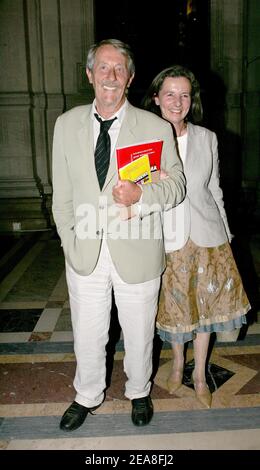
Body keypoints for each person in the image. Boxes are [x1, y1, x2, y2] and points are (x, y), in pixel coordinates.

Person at [52, 40, 186, 431]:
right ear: (90, 75)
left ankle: (139, 390)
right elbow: (61, 195)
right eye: (103, 69)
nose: (110, 77)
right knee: (88, 330)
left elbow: (177, 185)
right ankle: (87, 394)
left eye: (119, 70)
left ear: (130, 78)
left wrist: (142, 194)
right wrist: (68, 240)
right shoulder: (66, 124)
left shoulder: (155, 127)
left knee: (139, 329)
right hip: (85, 250)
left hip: (138, 248)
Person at [142, 65, 251, 408]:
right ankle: (176, 364)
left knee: (207, 310)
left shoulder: (208, 138)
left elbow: (214, 190)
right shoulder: (145, 140)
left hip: (209, 237)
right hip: (168, 237)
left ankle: (200, 374)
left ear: (193, 100)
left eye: (185, 94)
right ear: (156, 98)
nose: (178, 101)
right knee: (176, 308)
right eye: (170, 94)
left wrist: (227, 234)